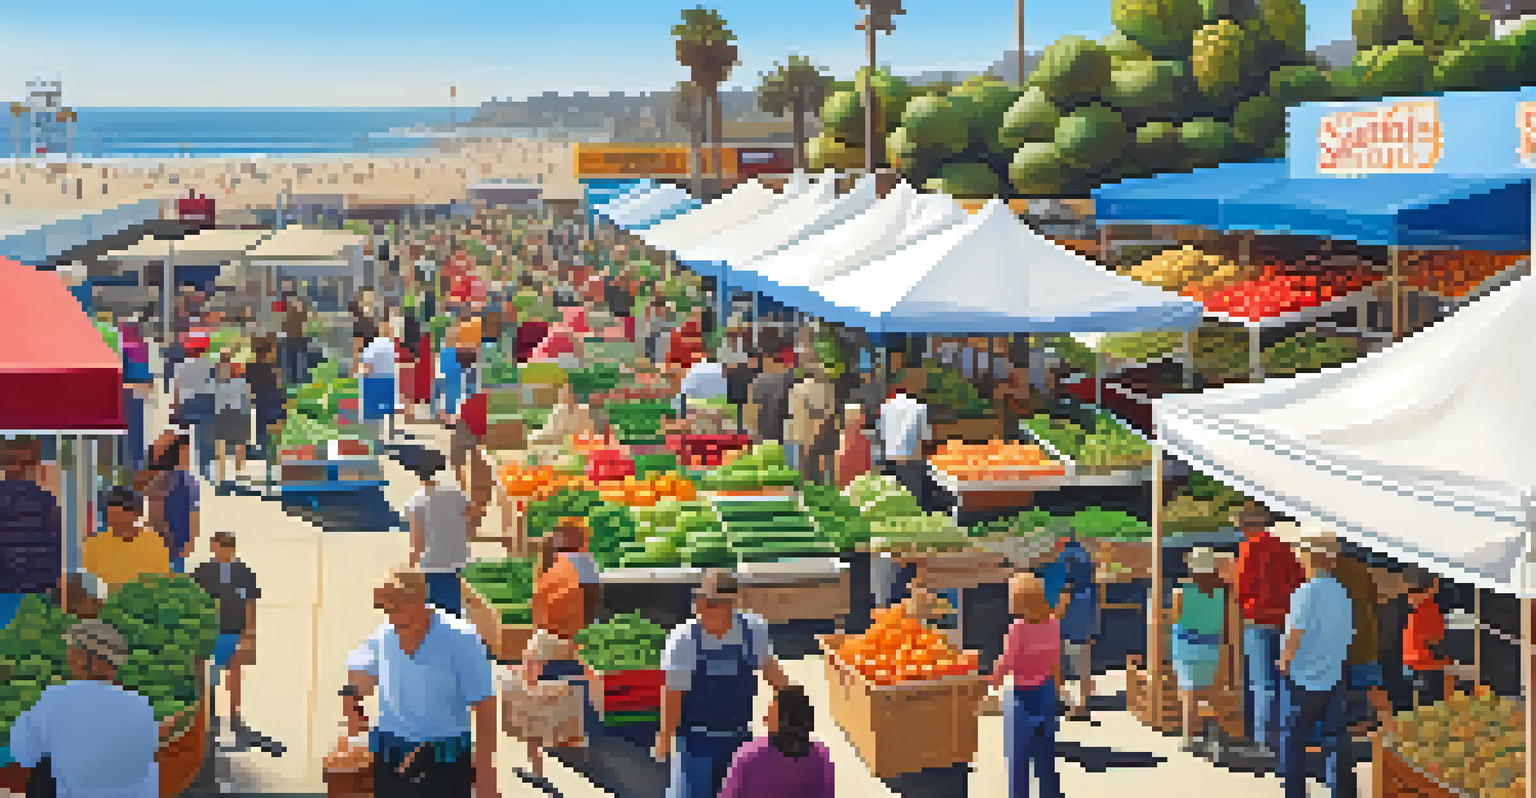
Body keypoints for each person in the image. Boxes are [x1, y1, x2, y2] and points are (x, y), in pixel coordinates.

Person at [342, 568, 498, 798]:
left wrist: (486, 773)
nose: (394, 621)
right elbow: (360, 675)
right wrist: (351, 696)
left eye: (400, 611)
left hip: (444, 761)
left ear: (420, 601)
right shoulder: (385, 635)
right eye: (387, 611)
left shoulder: (461, 639)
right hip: (390, 758)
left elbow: (485, 706)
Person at [657, 570, 791, 798]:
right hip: (695, 742)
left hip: (739, 738)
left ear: (731, 605)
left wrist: (794, 720)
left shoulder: (752, 632)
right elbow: (672, 696)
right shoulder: (683, 640)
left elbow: (776, 678)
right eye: (699, 600)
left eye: (710, 603)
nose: (700, 607)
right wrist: (665, 739)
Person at [10, 619, 165, 798]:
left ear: (82, 658)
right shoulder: (141, 704)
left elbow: (22, 753)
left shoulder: (55, 698)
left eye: (71, 650)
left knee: (44, 765)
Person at [1278, 524, 1356, 798]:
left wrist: (1283, 665)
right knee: (1335, 740)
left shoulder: (1305, 592)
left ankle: (1295, 793)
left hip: (1302, 678)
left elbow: (1293, 635)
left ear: (1309, 556)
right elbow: (1347, 636)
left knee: (1293, 742)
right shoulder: (1342, 593)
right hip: (1333, 675)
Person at [1234, 503, 1304, 757]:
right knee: (1285, 680)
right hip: (1286, 620)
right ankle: (1287, 738)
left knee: (1261, 682)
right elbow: (1299, 580)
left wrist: (1247, 606)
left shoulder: (1249, 547)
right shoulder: (1287, 546)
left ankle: (1264, 742)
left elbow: (1242, 586)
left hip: (1258, 620)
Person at [990, 572, 1062, 798]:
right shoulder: (1053, 623)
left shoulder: (1017, 628)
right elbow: (1055, 660)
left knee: (1018, 757)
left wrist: (993, 680)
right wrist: (1057, 690)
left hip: (1022, 695)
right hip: (1046, 691)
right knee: (1045, 754)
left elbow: (1007, 661)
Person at [192, 531, 260, 741]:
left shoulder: (244, 572)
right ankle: (210, 717)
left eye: (227, 546)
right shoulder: (202, 572)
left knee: (234, 676)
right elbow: (192, 601)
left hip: (235, 631)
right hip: (210, 632)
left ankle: (235, 718)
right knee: (209, 676)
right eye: (219, 546)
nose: (223, 551)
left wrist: (249, 633)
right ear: (213, 547)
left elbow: (250, 603)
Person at [717, 684, 834, 798]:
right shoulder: (821, 758)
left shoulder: (750, 756)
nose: (765, 719)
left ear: (782, 720)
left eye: (770, 714)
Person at [1170, 547, 1232, 753]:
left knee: (1188, 692)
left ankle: (1189, 737)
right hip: (1211, 645)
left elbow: (1176, 617)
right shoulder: (1221, 592)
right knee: (1211, 692)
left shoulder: (1181, 591)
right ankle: (1213, 736)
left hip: (1186, 645)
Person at [404, 451, 477, 618]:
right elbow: (471, 518)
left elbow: (417, 542)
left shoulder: (417, 501)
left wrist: (410, 566)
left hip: (431, 565)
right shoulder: (455, 494)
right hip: (456, 560)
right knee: (456, 611)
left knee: (435, 614)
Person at [0, 440, 63, 631]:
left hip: (5, 585)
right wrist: (55, 581)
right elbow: (56, 543)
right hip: (39, 586)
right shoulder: (47, 499)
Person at [1330, 548, 1389, 736]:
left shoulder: (1328, 571)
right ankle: (1372, 723)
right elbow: (1376, 599)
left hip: (1342, 638)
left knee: (1346, 685)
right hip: (1364, 635)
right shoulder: (1362, 570)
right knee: (1367, 684)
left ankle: (1353, 724)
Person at [1044, 528, 1098, 721]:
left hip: (1068, 615)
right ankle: (1083, 702)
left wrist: (1054, 616)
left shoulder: (1067, 559)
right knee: (1082, 661)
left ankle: (1062, 701)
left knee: (1058, 659)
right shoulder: (1085, 556)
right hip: (1085, 611)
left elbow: (1066, 588)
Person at [82, 487, 170, 593]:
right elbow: (88, 583)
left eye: (120, 515)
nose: (115, 521)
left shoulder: (154, 543)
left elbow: (163, 581)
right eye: (112, 515)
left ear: (136, 514)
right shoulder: (94, 544)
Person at [144, 431, 200, 575]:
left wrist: (191, 538)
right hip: (169, 540)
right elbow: (193, 512)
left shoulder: (188, 481)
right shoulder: (163, 481)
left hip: (172, 540)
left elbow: (193, 512)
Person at [1402, 567, 1453, 707]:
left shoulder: (1423, 612)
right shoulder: (1425, 611)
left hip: (1421, 668)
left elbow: (1437, 645)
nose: (1409, 596)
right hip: (1423, 668)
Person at [877, 389, 931, 510]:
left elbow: (882, 434)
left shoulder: (885, 408)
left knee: (892, 502)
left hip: (890, 459)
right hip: (911, 460)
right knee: (913, 502)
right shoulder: (919, 407)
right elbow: (925, 436)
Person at [212, 357, 251, 490]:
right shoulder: (241, 383)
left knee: (221, 444)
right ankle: (239, 473)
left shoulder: (215, 384)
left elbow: (213, 402)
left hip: (222, 414)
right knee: (240, 444)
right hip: (237, 413)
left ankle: (221, 476)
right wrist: (247, 417)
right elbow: (246, 401)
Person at [834, 403, 873, 490]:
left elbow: (867, 468)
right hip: (844, 487)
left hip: (859, 487)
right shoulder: (840, 439)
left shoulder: (865, 441)